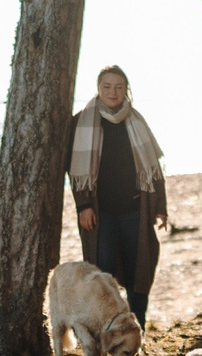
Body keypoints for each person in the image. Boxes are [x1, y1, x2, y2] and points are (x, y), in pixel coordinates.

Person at [69, 65, 167, 323]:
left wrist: (160, 207)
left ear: (126, 90)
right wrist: (83, 206)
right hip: (101, 214)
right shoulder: (80, 122)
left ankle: (137, 328)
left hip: (135, 210)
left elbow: (154, 168)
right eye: (107, 87)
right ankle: (108, 329)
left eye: (119, 87)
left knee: (140, 271)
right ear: (98, 89)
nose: (113, 92)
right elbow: (75, 170)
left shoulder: (136, 121)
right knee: (103, 273)